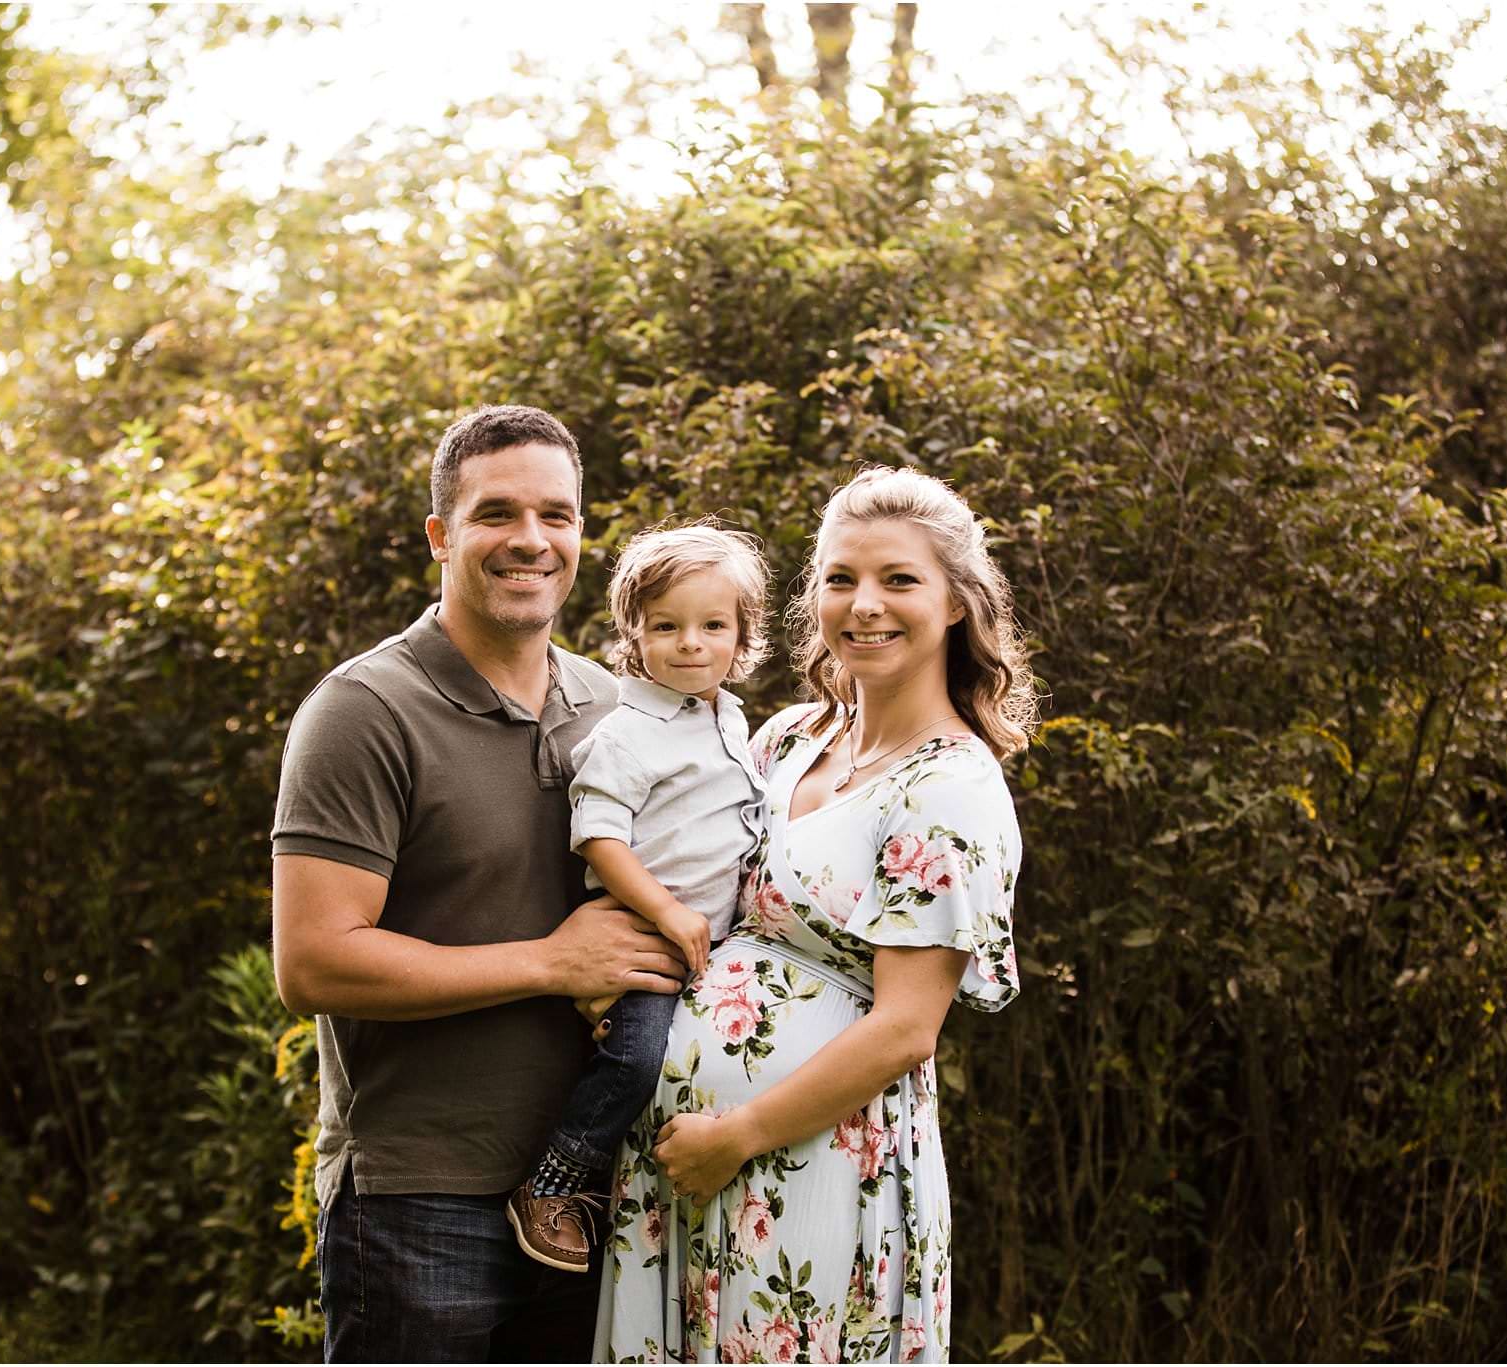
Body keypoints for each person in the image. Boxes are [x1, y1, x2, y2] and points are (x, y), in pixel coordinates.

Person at [270, 403, 690, 1364]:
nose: (532, 541)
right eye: (497, 513)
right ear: (440, 535)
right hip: (422, 1197)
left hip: (593, 1197)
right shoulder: (364, 710)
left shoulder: (620, 708)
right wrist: (551, 962)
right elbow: (316, 964)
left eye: (559, 515)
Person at [595, 466, 1039, 1364]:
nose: (864, 604)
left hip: (811, 1163)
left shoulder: (952, 787)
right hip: (682, 1163)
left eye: (899, 580)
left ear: (957, 602)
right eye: (841, 578)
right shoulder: (788, 738)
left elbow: (907, 1028)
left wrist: (738, 1134)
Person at [509, 523, 773, 1274]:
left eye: (712, 625)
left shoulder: (726, 716)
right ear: (634, 632)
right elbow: (599, 839)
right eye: (667, 626)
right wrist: (664, 911)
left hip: (716, 945)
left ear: (740, 634)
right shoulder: (625, 733)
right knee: (635, 1058)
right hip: (645, 935)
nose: (691, 643)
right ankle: (555, 1181)